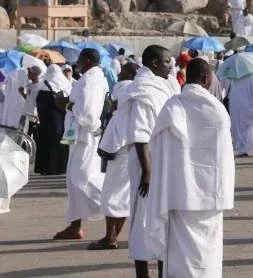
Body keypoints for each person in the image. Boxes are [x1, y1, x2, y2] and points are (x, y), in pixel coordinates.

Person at [144, 58, 235, 278]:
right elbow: (225, 158)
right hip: (211, 197)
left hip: (178, 193)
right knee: (208, 254)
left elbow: (157, 149)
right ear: (206, 78)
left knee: (178, 255)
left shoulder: (172, 107)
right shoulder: (217, 110)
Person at [120, 45, 178, 278]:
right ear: (154, 63)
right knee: (144, 220)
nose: (170, 66)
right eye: (166, 62)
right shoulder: (143, 89)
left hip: (164, 160)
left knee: (164, 219)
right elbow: (140, 133)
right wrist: (147, 171)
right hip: (148, 164)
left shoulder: (163, 84)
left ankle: (165, 271)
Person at [53, 48, 110, 241]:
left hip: (86, 136)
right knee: (73, 180)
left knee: (82, 180)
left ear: (86, 60)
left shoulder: (91, 80)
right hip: (77, 136)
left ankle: (117, 204)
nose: (77, 62)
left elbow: (88, 114)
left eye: (79, 59)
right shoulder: (88, 78)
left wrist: (66, 105)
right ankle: (75, 226)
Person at [91, 62, 139, 250]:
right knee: (124, 194)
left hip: (120, 150)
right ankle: (113, 235)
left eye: (123, 71)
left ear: (128, 74)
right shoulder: (138, 92)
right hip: (137, 149)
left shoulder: (124, 89)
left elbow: (116, 118)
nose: (118, 75)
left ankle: (110, 237)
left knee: (112, 193)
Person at [35, 64, 71, 175]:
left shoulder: (41, 87)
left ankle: (44, 168)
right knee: (58, 144)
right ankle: (59, 168)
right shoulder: (64, 85)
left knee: (44, 144)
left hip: (44, 124)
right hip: (59, 124)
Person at [228, 68, 253, 157]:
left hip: (235, 105)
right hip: (247, 106)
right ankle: (245, 148)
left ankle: (241, 148)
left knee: (238, 127)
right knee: (248, 127)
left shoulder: (234, 78)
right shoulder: (252, 77)